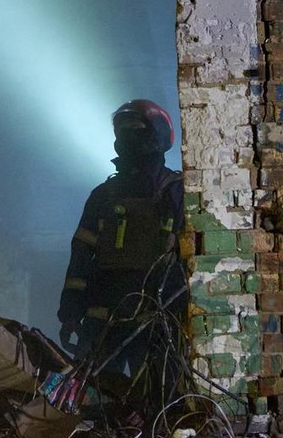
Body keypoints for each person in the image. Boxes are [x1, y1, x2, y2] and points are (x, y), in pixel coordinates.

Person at [58, 99, 188, 376]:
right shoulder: (102, 196)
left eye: (137, 128)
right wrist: (69, 313)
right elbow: (80, 259)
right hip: (102, 324)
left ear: (157, 135)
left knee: (160, 405)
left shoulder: (176, 193)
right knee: (94, 403)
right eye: (123, 130)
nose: (129, 137)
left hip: (156, 324)